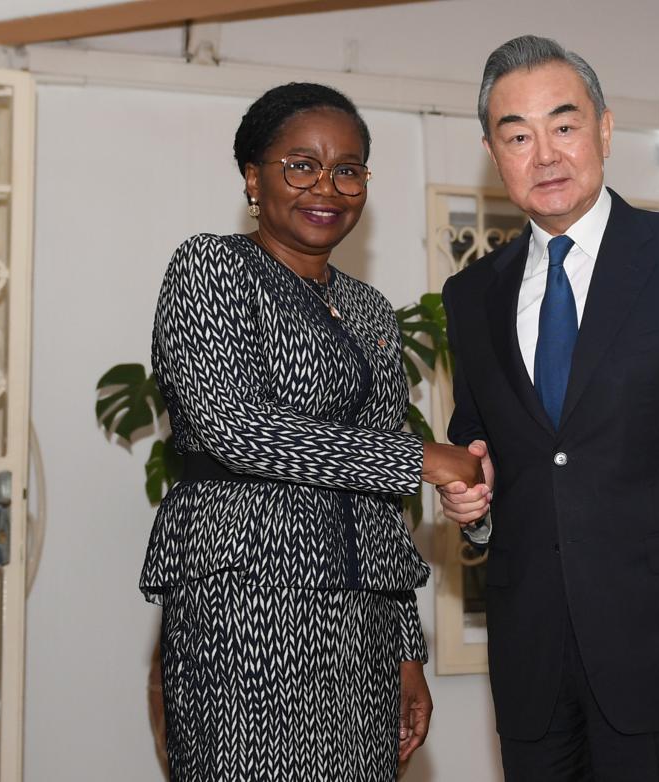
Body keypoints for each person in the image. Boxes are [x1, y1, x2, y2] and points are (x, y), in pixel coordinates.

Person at [438, 36, 659, 780]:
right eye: (517, 137)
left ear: (605, 130)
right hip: (531, 661)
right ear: (493, 153)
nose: (545, 155)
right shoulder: (471, 296)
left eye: (564, 126)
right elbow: (482, 445)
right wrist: (473, 498)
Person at [139, 82, 482, 781]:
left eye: (347, 169)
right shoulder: (212, 268)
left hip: (363, 624)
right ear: (253, 177)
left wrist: (406, 651)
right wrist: (425, 458)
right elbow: (237, 430)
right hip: (247, 604)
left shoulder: (369, 309)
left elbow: (380, 502)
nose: (326, 186)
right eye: (301, 165)